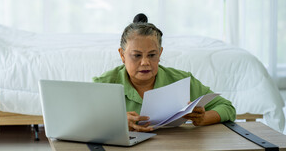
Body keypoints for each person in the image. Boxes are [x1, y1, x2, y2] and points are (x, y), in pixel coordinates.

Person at [93, 13, 236, 132]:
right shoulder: (104, 84)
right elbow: (80, 120)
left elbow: (228, 108)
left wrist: (204, 118)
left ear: (160, 53)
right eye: (136, 55)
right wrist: (116, 121)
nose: (145, 62)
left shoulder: (181, 80)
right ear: (122, 55)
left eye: (152, 55)